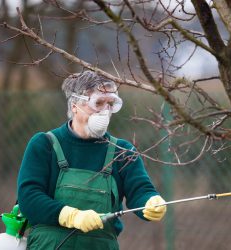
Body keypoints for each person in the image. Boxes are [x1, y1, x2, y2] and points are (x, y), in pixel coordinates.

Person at [17, 70, 167, 249]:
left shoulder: (122, 151)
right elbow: (28, 197)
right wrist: (70, 216)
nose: (105, 111)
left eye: (110, 104)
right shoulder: (45, 144)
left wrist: (150, 202)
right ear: (74, 105)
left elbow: (140, 190)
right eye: (98, 103)